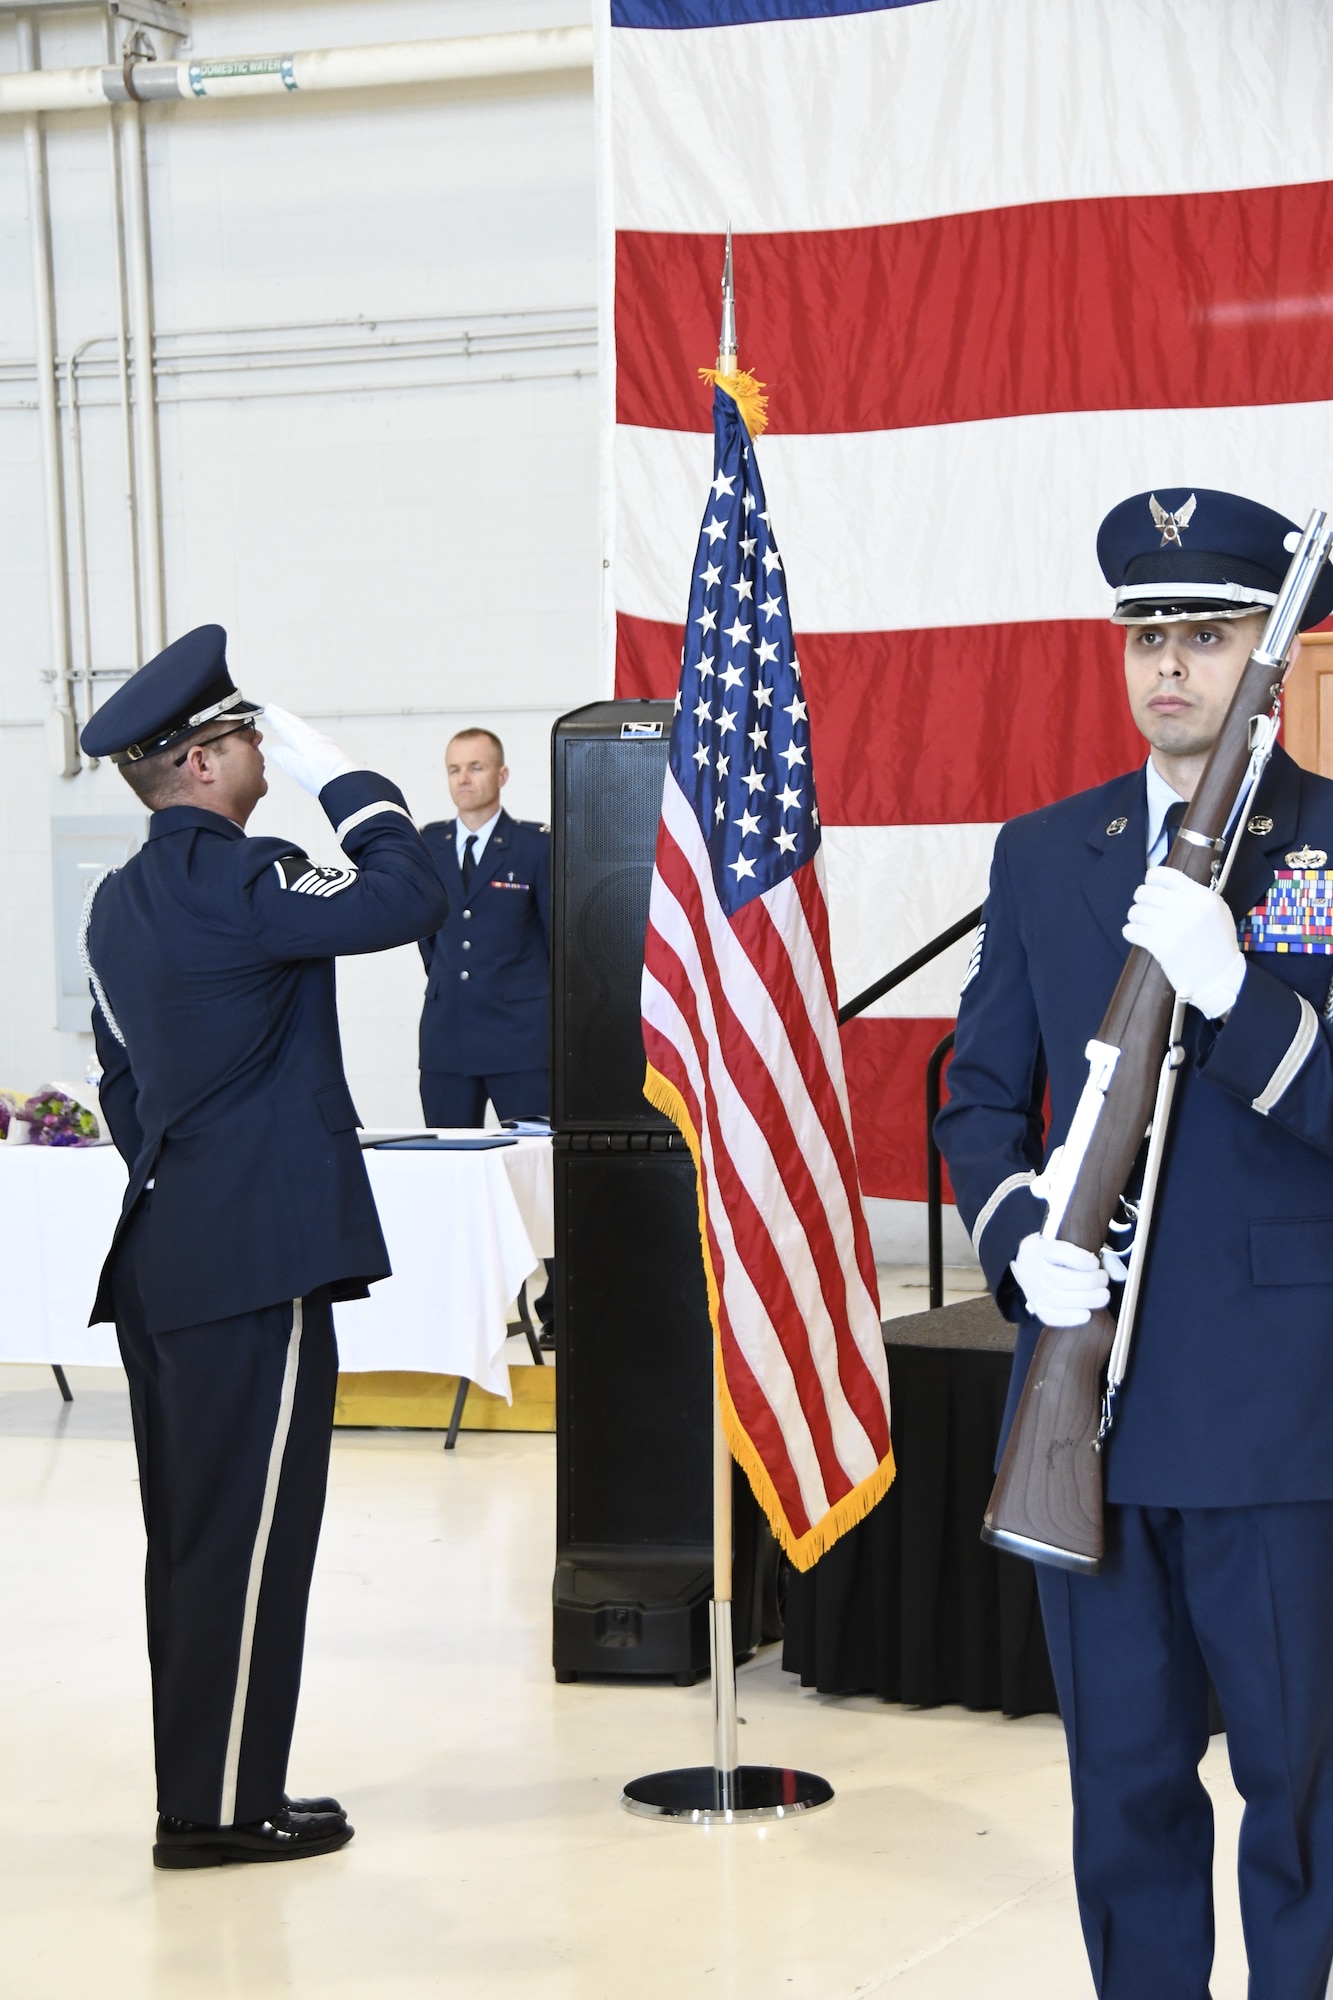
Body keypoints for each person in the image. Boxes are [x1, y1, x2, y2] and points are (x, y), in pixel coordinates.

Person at [936, 489, 1333, 2000]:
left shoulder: (1327, 848)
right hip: (1083, 1408)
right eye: (1146, 635)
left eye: (1208, 633)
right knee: (1126, 1800)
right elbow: (975, 1097)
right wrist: (1017, 1220)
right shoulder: (1048, 854)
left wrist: (1244, 1005)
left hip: (1277, 1419)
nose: (1170, 664)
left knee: (1298, 1801)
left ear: (1267, 657)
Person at [79, 624, 447, 1869]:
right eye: (243, 736)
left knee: (189, 1541)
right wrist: (352, 783)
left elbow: (122, 1080)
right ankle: (223, 1810)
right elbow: (409, 896)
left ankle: (211, 1785)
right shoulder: (241, 878)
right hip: (251, 1262)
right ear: (195, 764)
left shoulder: (117, 902)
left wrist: (194, 1165)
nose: (257, 752)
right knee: (250, 1540)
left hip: (169, 1251)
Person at [418, 729, 552, 1329]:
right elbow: (428, 939)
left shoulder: (534, 847)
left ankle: (559, 1304)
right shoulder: (429, 844)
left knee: (541, 1174)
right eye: (454, 769)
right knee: (448, 1175)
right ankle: (462, 1300)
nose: (463, 779)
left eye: (475, 767)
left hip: (522, 1041)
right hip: (449, 1038)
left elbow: (555, 942)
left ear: (502, 775)